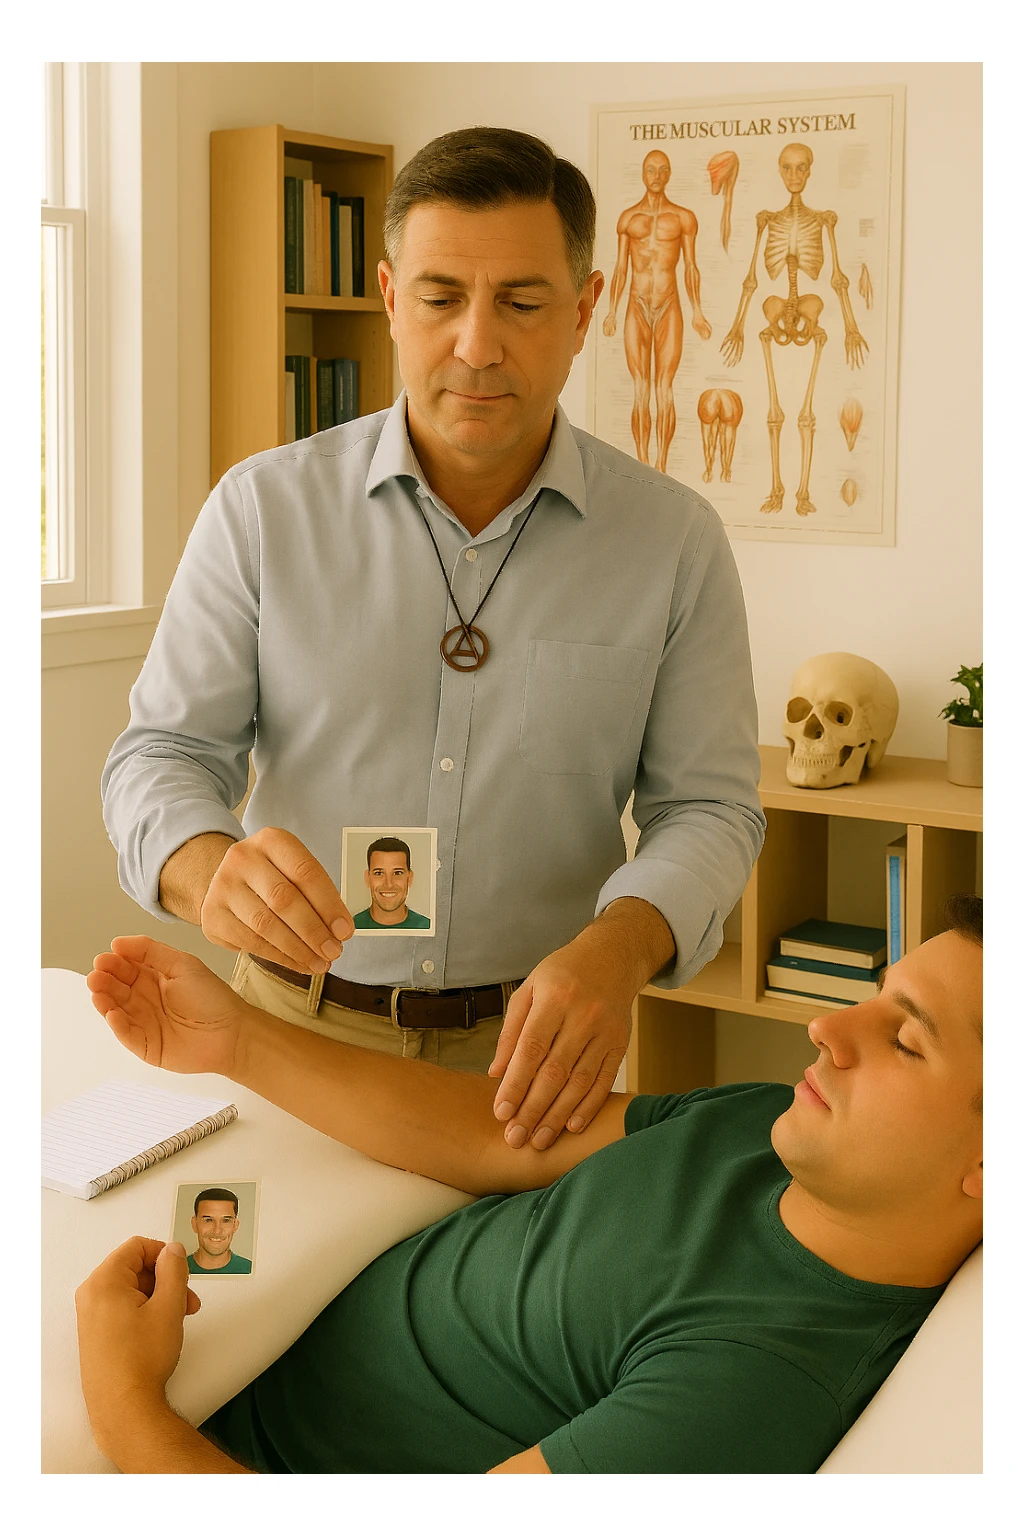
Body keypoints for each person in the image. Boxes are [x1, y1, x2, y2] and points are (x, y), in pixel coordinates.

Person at [100, 125, 764, 1150]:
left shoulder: (673, 544)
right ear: (389, 297)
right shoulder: (261, 511)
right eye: (442, 297)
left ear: (586, 311)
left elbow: (710, 807)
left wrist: (620, 949)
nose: (476, 345)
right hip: (284, 1035)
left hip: (533, 1068)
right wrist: (203, 866)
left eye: (522, 303)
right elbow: (161, 756)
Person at [75, 895, 982, 1473]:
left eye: (906, 1039)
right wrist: (235, 1039)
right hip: (258, 1321)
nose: (829, 1029)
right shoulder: (770, 1128)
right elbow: (494, 1135)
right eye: (875, 991)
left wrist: (123, 1402)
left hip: (195, 1442)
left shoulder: (753, 1386)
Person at [602, 148, 712, 473]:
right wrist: (611, 310)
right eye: (651, 169)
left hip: (669, 304)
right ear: (642, 173)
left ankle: (661, 467)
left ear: (669, 174)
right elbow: (620, 268)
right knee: (640, 389)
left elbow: (691, 266)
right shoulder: (628, 219)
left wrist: (698, 312)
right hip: (636, 305)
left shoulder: (682, 218)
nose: (656, 176)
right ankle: (642, 465)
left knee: (664, 387)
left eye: (663, 170)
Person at [353, 837, 431, 930]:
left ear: (410, 878)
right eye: (379, 873)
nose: (389, 884)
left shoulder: (427, 927)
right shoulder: (351, 928)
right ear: (367, 878)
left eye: (397, 873)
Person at [187, 1189, 253, 1275]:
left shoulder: (250, 1270)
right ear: (194, 1224)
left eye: (225, 1220)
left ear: (235, 1225)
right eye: (208, 1220)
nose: (217, 1231)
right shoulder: (175, 1270)